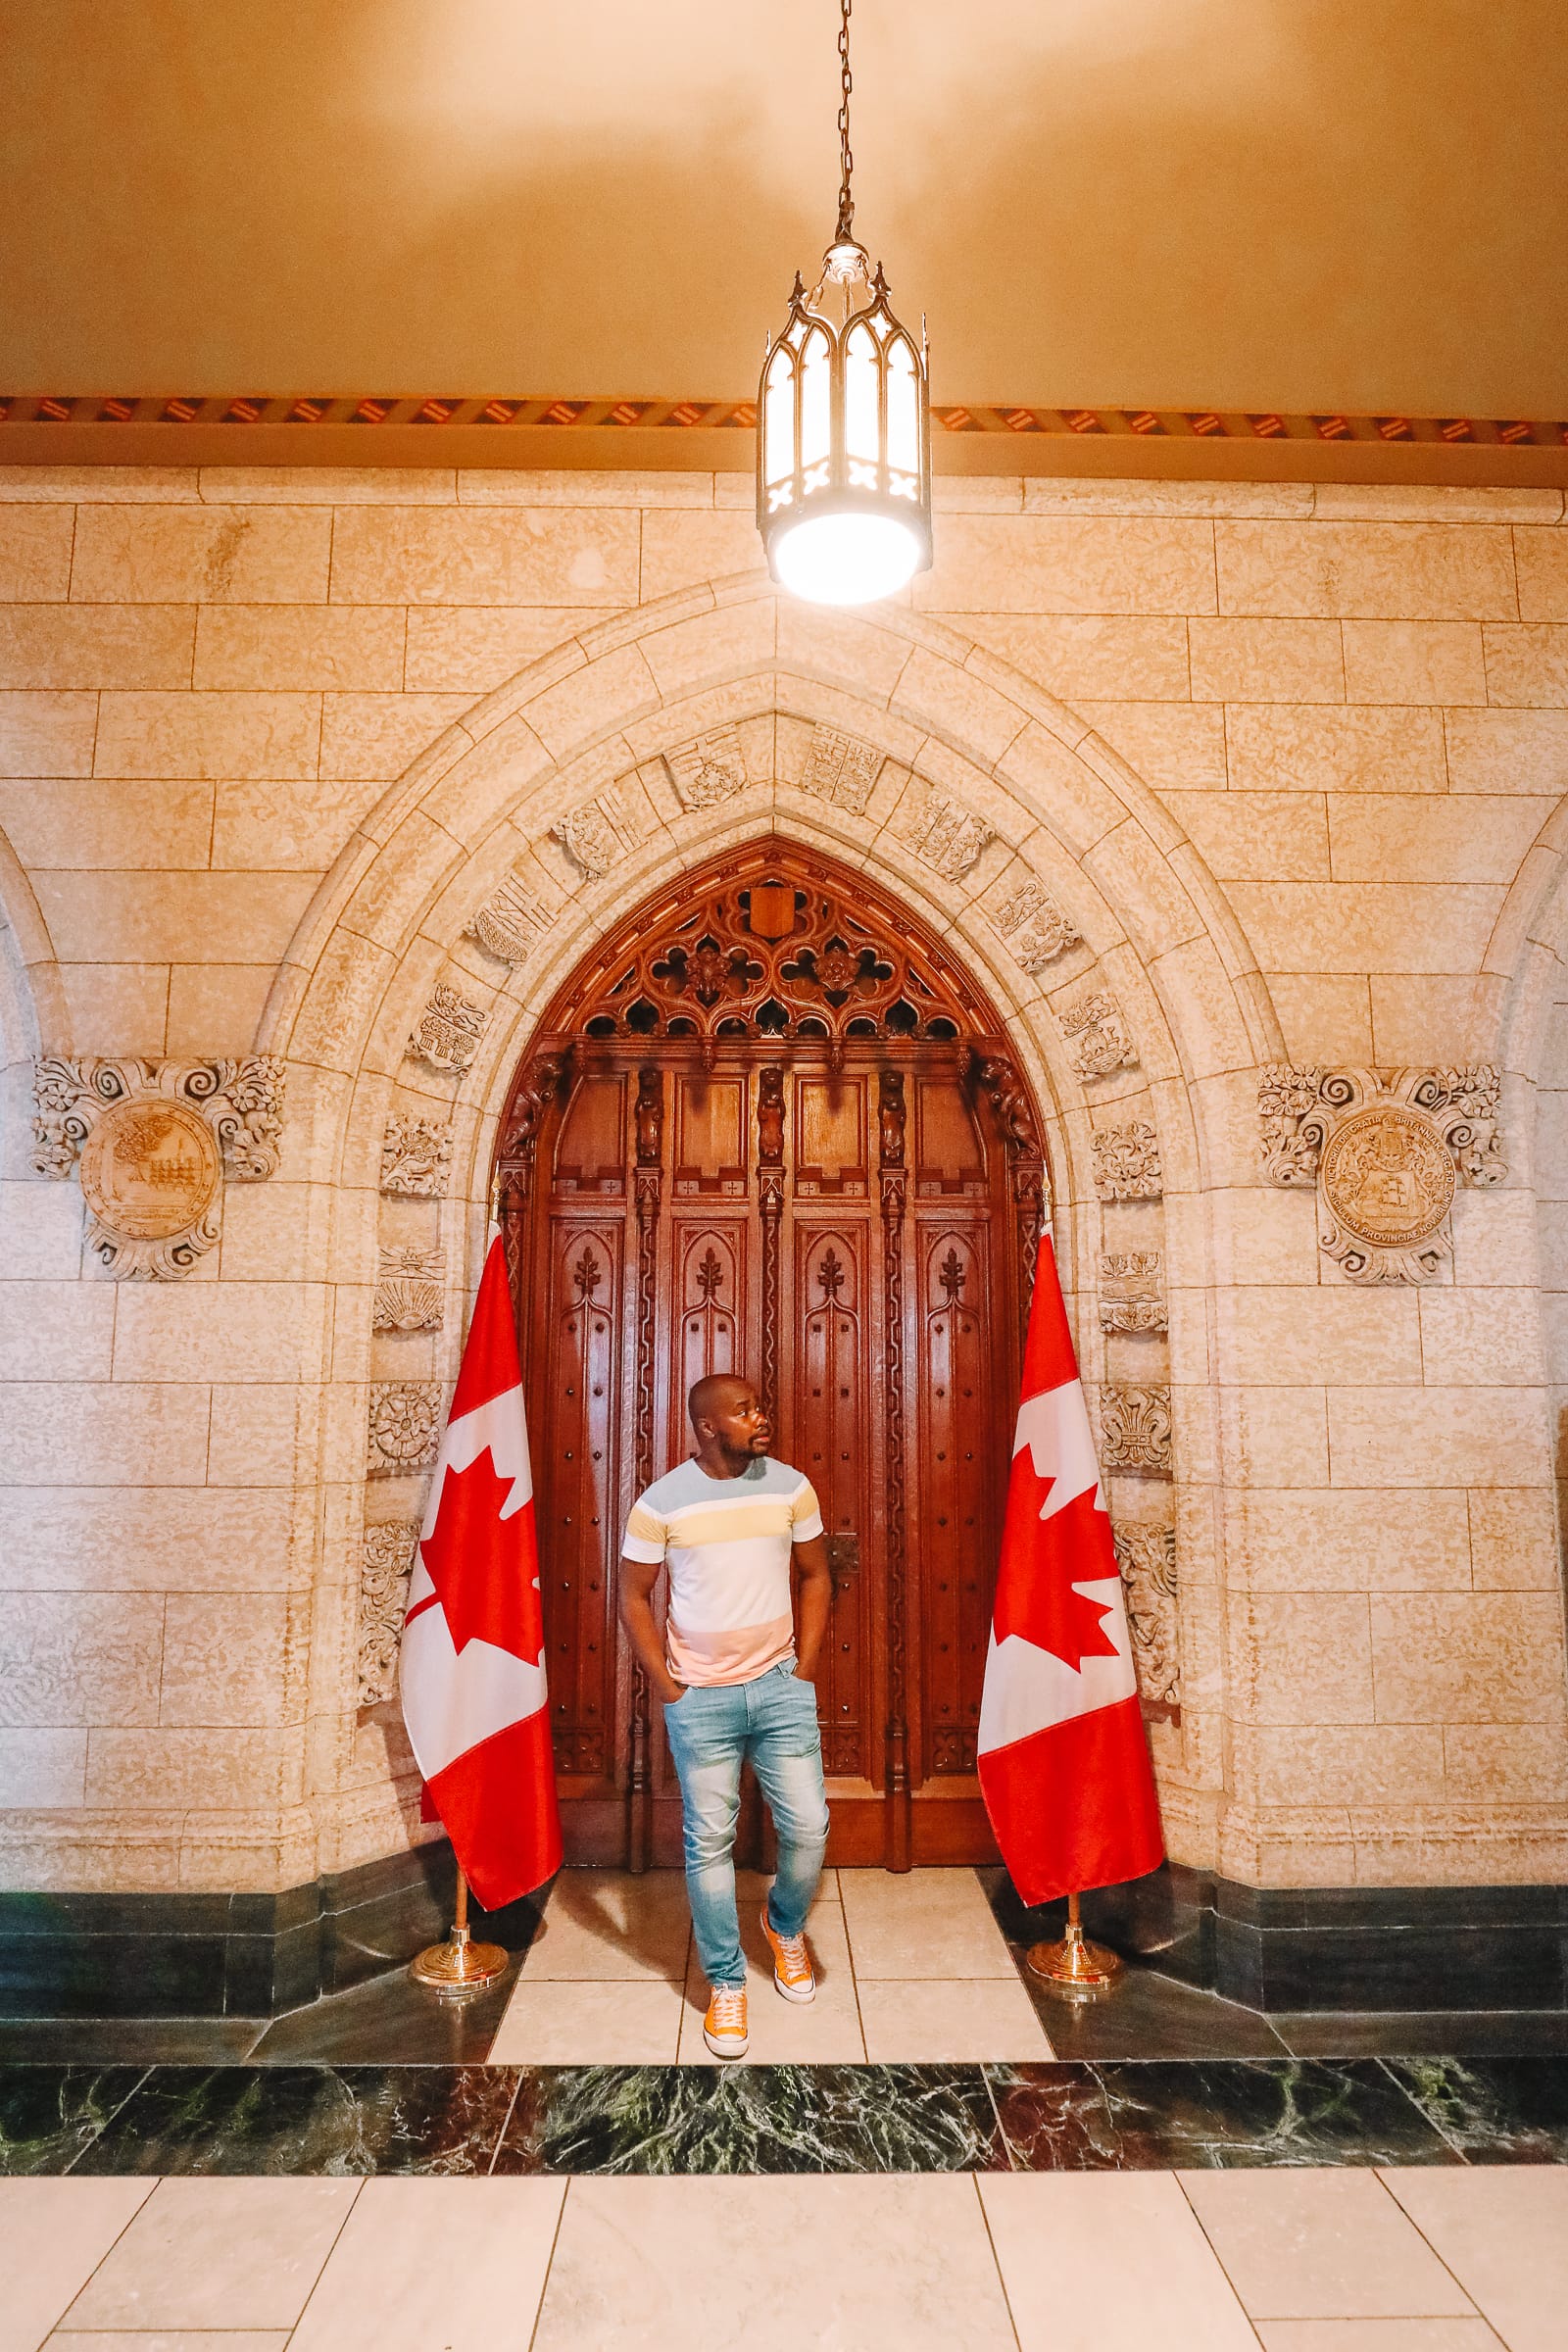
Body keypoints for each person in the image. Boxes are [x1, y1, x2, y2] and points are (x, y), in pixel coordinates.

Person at [618, 1373, 833, 2058]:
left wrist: (802, 1671)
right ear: (708, 1427)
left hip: (779, 1688)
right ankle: (726, 1983)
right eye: (744, 1411)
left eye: (760, 1406)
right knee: (708, 1843)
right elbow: (632, 1596)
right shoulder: (660, 1503)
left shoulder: (791, 1487)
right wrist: (669, 1687)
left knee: (809, 1825)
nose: (760, 1417)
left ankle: (784, 1926)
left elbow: (818, 1575)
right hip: (700, 1700)